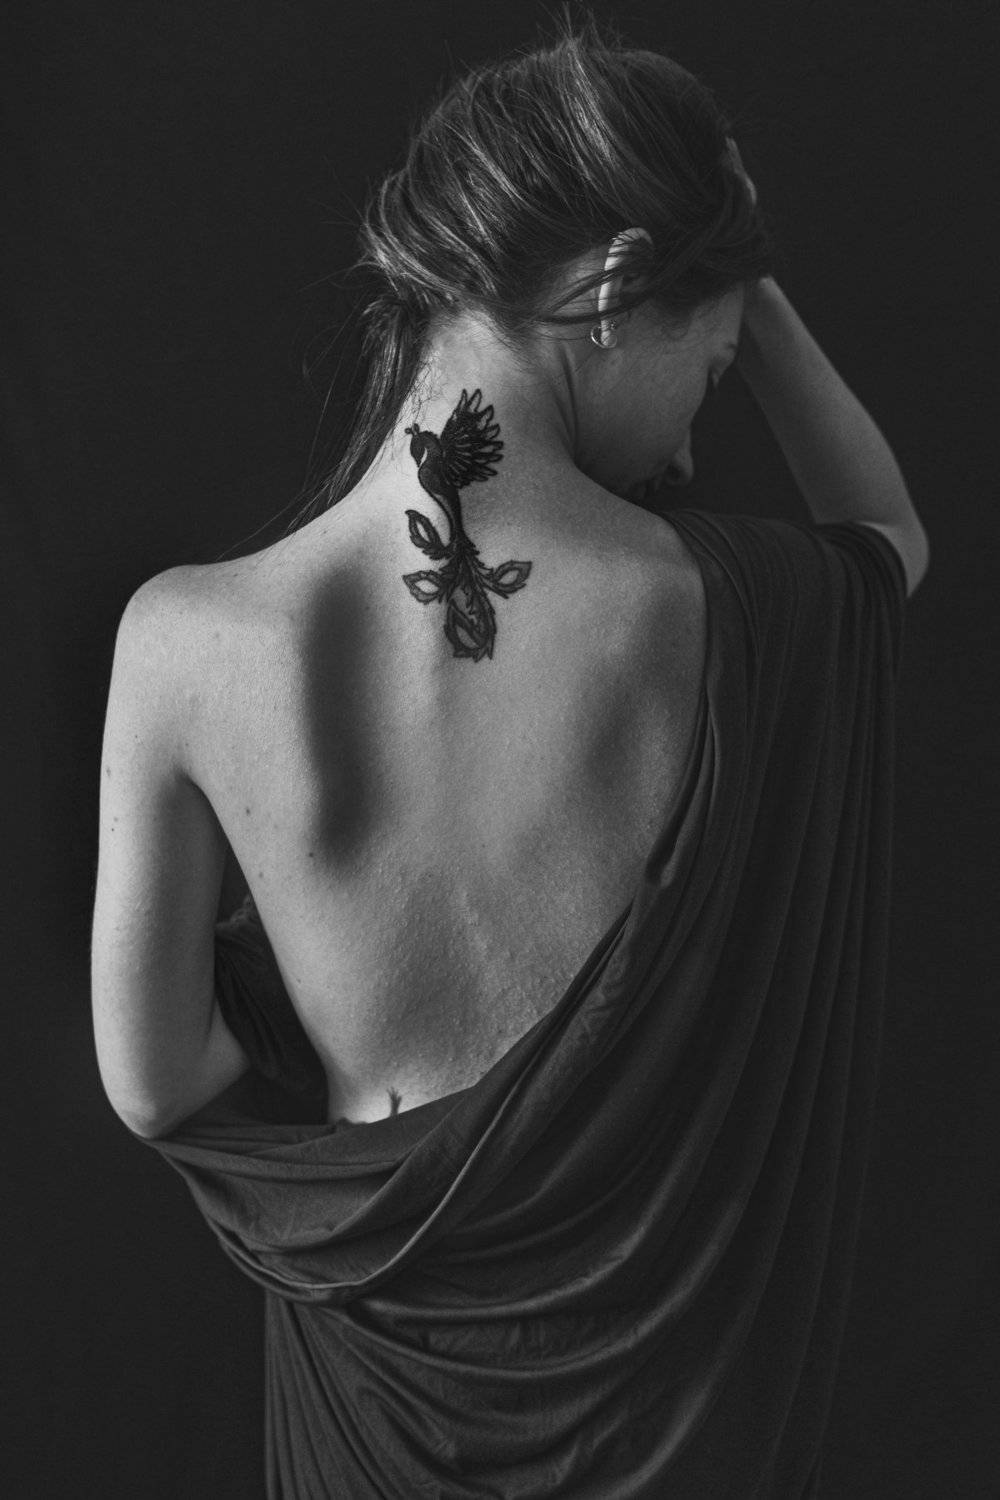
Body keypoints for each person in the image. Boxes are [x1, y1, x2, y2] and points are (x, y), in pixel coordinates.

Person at [91, 7, 928, 1497]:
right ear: (612, 287)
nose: (689, 449)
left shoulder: (185, 642)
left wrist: (325, 1040)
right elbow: (886, 536)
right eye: (710, 370)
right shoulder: (714, 606)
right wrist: (751, 284)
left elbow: (155, 1083)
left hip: (370, 1405)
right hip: (658, 1416)